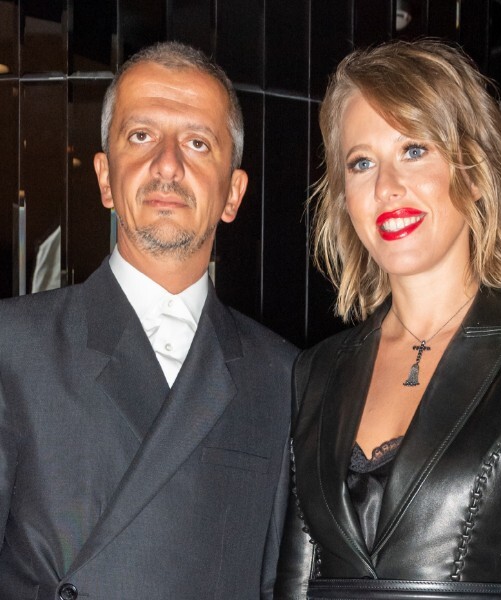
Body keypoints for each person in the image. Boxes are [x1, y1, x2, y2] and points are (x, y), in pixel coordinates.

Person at [274, 39, 501, 600]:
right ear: (344, 197)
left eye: (414, 150)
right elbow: (294, 585)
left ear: (474, 172)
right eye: (362, 163)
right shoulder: (316, 371)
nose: (386, 186)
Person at [0, 41, 297, 600]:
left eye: (197, 142)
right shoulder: (11, 348)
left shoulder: (284, 377)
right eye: (141, 136)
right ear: (105, 178)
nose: (167, 164)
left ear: (232, 194)